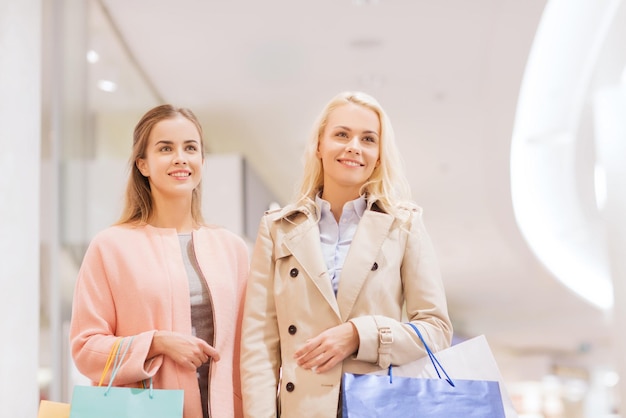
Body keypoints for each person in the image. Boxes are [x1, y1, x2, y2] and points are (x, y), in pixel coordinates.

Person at [240, 91, 453, 417]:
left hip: (377, 405)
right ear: (319, 146)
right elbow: (258, 347)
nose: (354, 146)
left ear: (379, 156)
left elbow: (436, 331)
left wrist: (359, 335)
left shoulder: (404, 225)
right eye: (341, 134)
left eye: (368, 139)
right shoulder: (277, 228)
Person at [69, 104, 249, 418]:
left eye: (190, 148)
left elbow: (253, 349)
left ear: (202, 161)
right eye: (165, 148)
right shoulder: (110, 246)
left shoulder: (233, 249)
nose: (180, 157)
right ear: (143, 164)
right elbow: (85, 349)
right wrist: (156, 343)